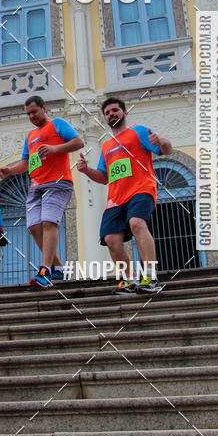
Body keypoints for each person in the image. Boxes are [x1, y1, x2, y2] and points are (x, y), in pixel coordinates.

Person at [77, 96, 172, 295]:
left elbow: (166, 150)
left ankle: (150, 276)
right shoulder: (106, 146)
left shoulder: (138, 132)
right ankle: (130, 280)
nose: (111, 114)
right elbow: (104, 177)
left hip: (141, 189)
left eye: (115, 110)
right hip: (116, 198)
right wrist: (86, 170)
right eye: (107, 113)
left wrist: (162, 140)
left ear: (124, 112)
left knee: (136, 223)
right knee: (111, 239)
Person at [0, 96, 84, 288]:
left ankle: (45, 270)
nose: (31, 116)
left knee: (48, 222)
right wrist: (10, 170)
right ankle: (59, 268)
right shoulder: (30, 136)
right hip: (36, 186)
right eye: (28, 113)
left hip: (58, 182)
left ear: (44, 108)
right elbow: (26, 163)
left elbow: (79, 142)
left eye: (34, 112)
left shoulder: (58, 124)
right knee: (34, 226)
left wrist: (55, 148)